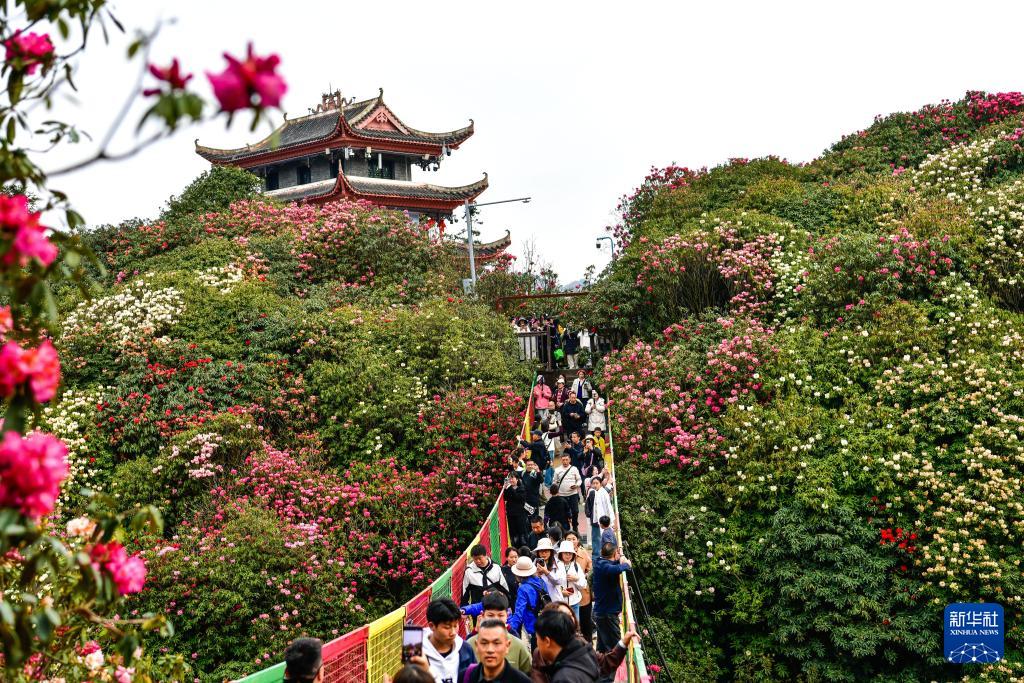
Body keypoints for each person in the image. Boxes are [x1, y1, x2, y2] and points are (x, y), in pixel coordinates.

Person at [531, 603, 639, 683]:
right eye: (563, 617)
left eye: (570, 615)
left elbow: (603, 664)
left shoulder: (580, 645)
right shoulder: (540, 654)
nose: (569, 620)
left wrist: (623, 643)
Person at [465, 592, 533, 675]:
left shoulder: (518, 645)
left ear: (507, 615)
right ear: (482, 615)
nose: (496, 620)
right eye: (491, 615)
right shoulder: (470, 644)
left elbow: (528, 674)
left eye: (500, 615)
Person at [533, 609, 600, 683]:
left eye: (537, 638)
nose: (537, 644)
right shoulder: (585, 653)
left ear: (547, 641)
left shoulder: (564, 678)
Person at [423, 598, 476, 683]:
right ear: (432, 626)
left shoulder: (466, 650)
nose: (453, 633)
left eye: (455, 626)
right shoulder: (419, 652)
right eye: (447, 627)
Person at [591, 543, 632, 654]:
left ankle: (600, 663)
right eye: (618, 552)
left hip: (603, 612)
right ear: (614, 554)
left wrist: (619, 560)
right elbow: (613, 569)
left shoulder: (600, 562)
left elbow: (612, 565)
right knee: (615, 647)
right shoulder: (604, 566)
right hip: (607, 614)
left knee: (602, 647)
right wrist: (627, 564)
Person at [464, 619, 532, 683]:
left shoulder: (522, 681)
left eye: (496, 643)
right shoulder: (465, 677)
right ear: (476, 646)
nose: (490, 650)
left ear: (507, 646)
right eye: (484, 643)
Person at [507, 556, 551, 647]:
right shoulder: (541, 581)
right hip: (545, 622)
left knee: (535, 651)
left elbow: (519, 613)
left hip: (532, 626)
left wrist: (509, 630)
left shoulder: (523, 589)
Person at [564, 531, 594, 642]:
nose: (571, 541)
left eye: (574, 539)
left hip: (583, 595)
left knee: (586, 622)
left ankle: (588, 645)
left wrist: (583, 576)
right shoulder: (560, 556)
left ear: (578, 540)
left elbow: (591, 570)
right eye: (568, 539)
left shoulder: (583, 553)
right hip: (568, 596)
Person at [555, 540, 586, 621]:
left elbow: (583, 585)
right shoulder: (555, 566)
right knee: (561, 626)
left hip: (574, 603)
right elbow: (551, 585)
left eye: (570, 553)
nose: (568, 555)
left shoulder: (576, 566)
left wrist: (576, 579)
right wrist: (561, 592)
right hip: (560, 604)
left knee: (575, 625)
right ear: (561, 554)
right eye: (566, 553)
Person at [551, 454, 582, 533]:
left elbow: (579, 480)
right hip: (561, 495)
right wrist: (555, 492)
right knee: (563, 513)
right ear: (561, 460)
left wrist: (577, 485)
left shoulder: (574, 469)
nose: (565, 461)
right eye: (563, 460)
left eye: (566, 460)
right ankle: (565, 529)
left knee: (575, 511)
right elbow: (554, 482)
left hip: (573, 494)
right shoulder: (557, 470)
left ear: (570, 460)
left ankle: (575, 526)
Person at [533, 538, 566, 604]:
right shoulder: (534, 564)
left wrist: (546, 572)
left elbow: (559, 581)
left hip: (555, 601)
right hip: (539, 601)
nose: (544, 553)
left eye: (546, 551)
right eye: (541, 551)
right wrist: (535, 575)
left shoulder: (558, 564)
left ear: (551, 552)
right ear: (538, 552)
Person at [585, 479, 614, 554]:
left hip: (603, 520)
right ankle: (596, 556)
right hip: (594, 520)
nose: (595, 485)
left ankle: (604, 554)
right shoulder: (592, 492)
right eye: (593, 483)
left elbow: (608, 507)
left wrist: (611, 521)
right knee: (595, 538)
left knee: (603, 538)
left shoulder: (603, 492)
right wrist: (589, 514)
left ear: (600, 484)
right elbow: (588, 504)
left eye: (597, 483)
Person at [504, 471, 530, 549]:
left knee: (521, 533)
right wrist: (505, 489)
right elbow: (505, 498)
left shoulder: (521, 488)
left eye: (512, 478)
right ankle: (515, 548)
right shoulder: (508, 488)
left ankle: (524, 549)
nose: (511, 480)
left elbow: (518, 498)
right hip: (511, 514)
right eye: (509, 478)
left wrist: (509, 488)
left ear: (517, 479)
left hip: (520, 515)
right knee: (513, 532)